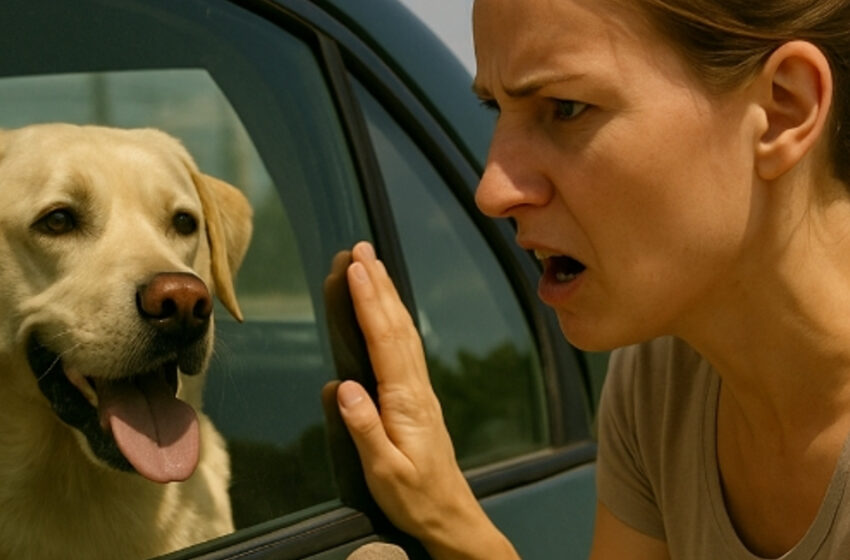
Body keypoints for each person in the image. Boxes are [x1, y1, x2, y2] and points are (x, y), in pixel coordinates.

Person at [334, 0, 850, 558]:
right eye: (493, 108)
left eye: (567, 107)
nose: (492, 191)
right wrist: (449, 519)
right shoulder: (662, 378)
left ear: (783, 110)